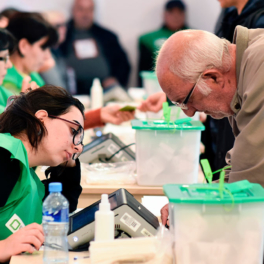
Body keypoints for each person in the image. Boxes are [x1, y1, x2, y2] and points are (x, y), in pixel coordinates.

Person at [156, 26, 264, 223]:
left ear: (213, 77)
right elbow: (243, 169)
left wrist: (193, 207)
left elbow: (251, 183)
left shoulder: (260, 69)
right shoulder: (240, 76)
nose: (189, 112)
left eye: (185, 100)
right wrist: (193, 199)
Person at [0, 85, 85, 262]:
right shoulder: (4, 156)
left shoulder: (24, 169)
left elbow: (60, 206)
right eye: (73, 131)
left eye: (80, 139)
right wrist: (3, 247)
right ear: (42, 119)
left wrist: (70, 156)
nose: (78, 147)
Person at [59, 0, 131, 95]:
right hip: (72, 91)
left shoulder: (107, 36)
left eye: (90, 10)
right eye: (81, 9)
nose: (86, 14)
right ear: (73, 11)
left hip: (105, 90)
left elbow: (123, 63)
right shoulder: (62, 36)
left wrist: (116, 78)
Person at [2, 12, 58, 94]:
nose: (47, 56)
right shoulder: (4, 81)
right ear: (24, 46)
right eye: (43, 48)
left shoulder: (33, 75)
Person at [138, 0, 188, 86]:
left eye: (179, 12)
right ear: (164, 14)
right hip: (156, 83)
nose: (176, 16)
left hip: (187, 83)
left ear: (185, 15)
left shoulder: (197, 36)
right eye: (171, 12)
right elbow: (144, 69)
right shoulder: (148, 39)